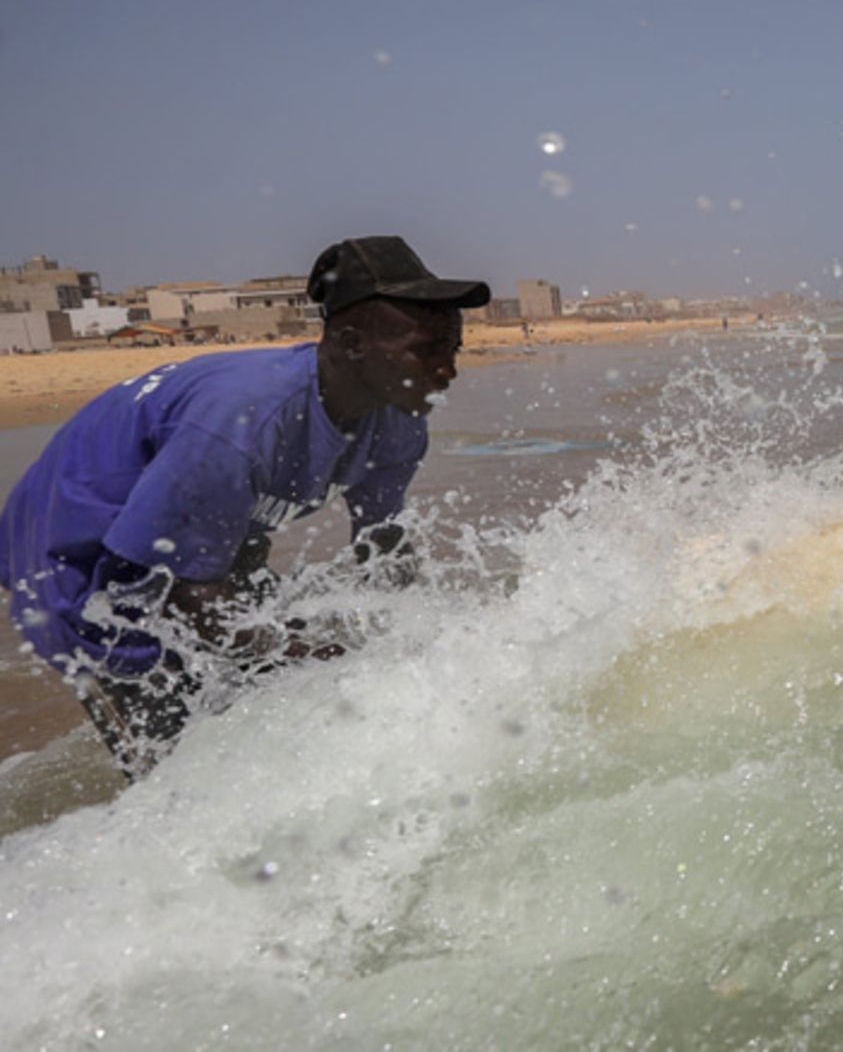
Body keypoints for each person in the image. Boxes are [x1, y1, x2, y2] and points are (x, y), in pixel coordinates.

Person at [0, 236, 489, 775]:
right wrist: (308, 653)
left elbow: (383, 544)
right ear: (352, 343)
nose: (449, 371)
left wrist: (421, 641)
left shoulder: (399, 418)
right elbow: (189, 594)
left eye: (453, 349)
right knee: (170, 760)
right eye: (427, 351)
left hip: (197, 524)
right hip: (73, 546)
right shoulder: (244, 423)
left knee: (263, 690)